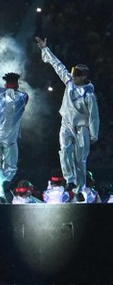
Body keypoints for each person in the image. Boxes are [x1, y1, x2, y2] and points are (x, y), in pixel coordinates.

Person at [37, 37, 99, 199]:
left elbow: (94, 115)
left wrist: (94, 133)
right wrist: (45, 49)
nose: (73, 76)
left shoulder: (89, 94)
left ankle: (79, 190)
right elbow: (58, 66)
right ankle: (70, 180)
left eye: (77, 74)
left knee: (80, 160)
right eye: (73, 73)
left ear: (84, 77)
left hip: (81, 128)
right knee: (64, 151)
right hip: (66, 124)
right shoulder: (69, 82)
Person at [0, 72, 30, 204]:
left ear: (5, 83)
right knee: (10, 167)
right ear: (18, 84)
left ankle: (2, 185)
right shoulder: (24, 96)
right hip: (10, 139)